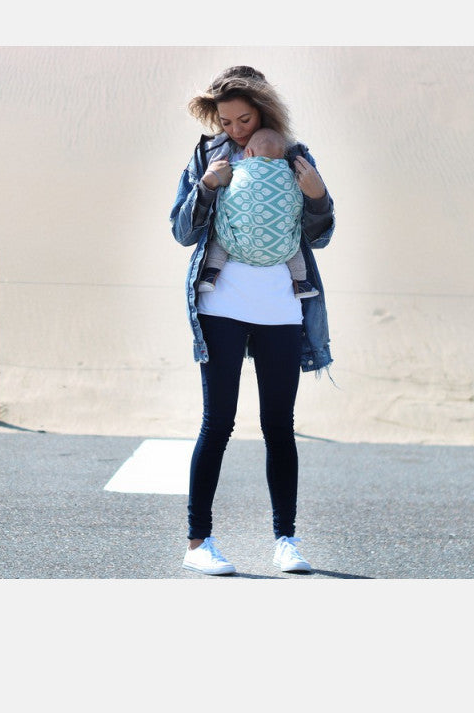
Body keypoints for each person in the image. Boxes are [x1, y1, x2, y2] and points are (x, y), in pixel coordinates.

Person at [169, 65, 335, 576]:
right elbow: (182, 231)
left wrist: (317, 196)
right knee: (217, 423)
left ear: (264, 111)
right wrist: (207, 186)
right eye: (227, 121)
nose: (237, 130)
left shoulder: (293, 154)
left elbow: (321, 234)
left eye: (245, 119)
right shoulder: (208, 155)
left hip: (282, 307)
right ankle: (198, 543)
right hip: (220, 302)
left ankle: (286, 540)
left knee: (279, 426)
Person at [198, 126, 319, 299]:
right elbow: (297, 206)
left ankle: (210, 274)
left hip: (238, 247)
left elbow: (226, 194)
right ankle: (302, 283)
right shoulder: (291, 174)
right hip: (281, 251)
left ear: (248, 152)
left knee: (218, 240)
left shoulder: (237, 169)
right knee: (295, 246)